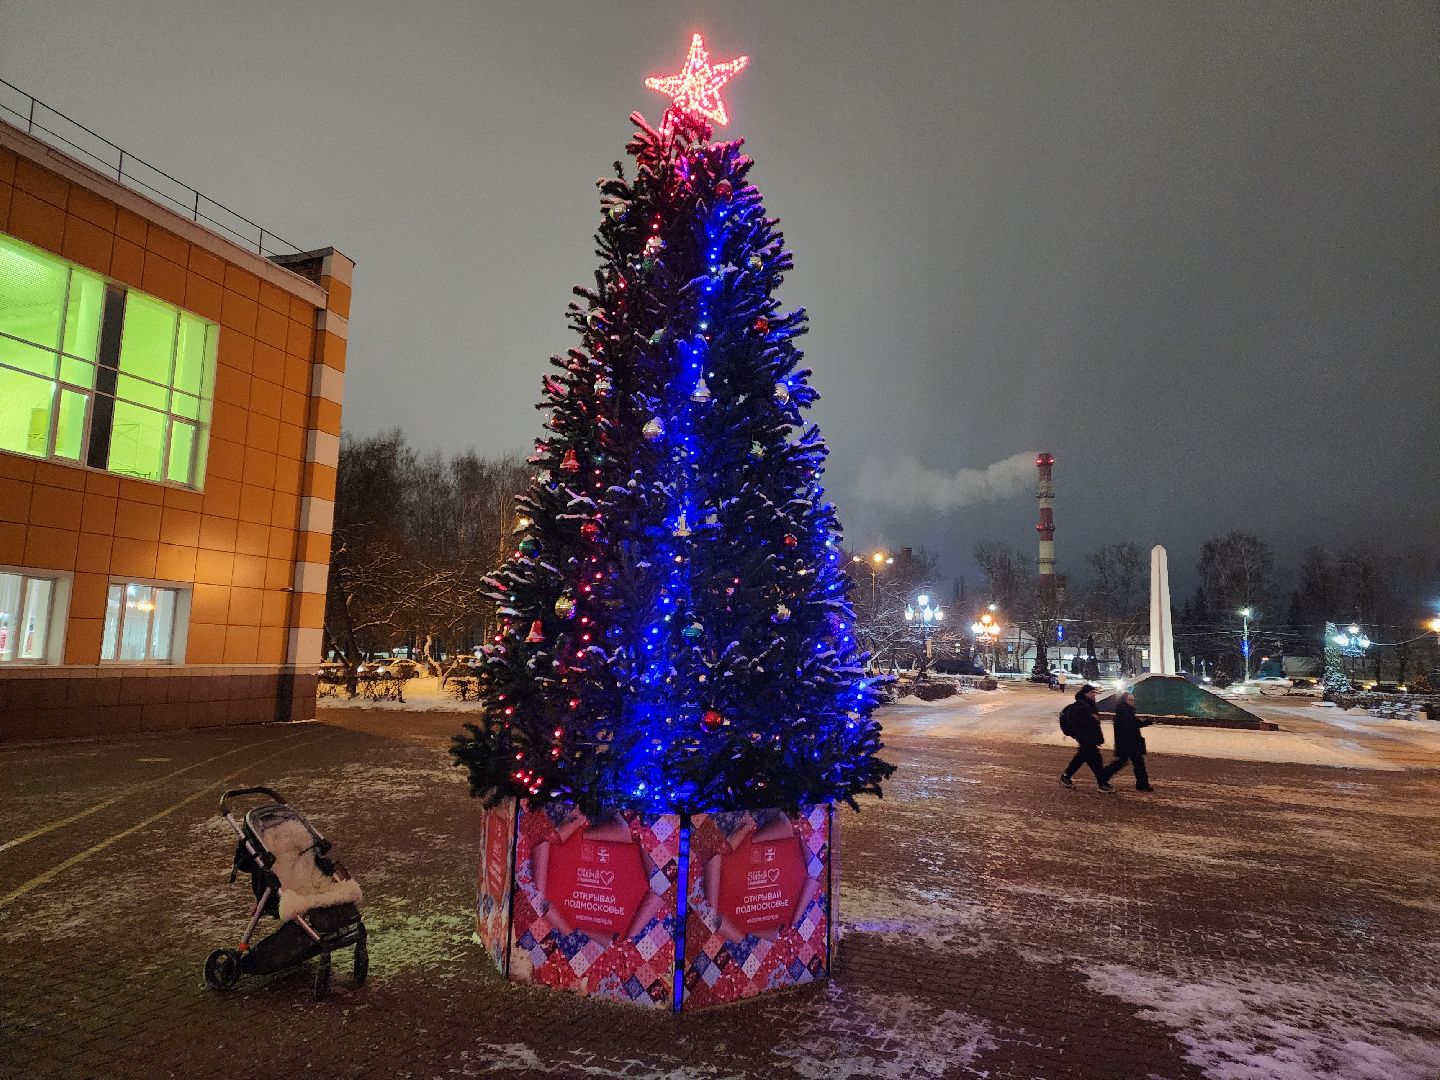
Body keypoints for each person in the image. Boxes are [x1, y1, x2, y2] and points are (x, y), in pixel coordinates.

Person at [1058, 684, 1113, 792]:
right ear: (1086, 693)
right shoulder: (1080, 705)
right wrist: (1091, 721)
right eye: (1092, 692)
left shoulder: (1089, 704)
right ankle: (1102, 783)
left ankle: (1066, 776)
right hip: (1085, 738)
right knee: (1095, 761)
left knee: (1083, 758)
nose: (1094, 695)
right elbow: (1080, 722)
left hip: (1089, 738)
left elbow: (1094, 723)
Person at [1102, 690, 1155, 791]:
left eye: (1133, 700)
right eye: (1130, 699)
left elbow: (1132, 723)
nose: (1132, 701)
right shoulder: (1124, 711)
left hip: (1129, 741)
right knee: (1131, 762)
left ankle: (1142, 784)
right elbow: (1130, 724)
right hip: (1128, 742)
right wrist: (1144, 722)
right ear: (1124, 700)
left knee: (1132, 762)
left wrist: (1143, 722)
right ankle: (1103, 776)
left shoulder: (1125, 710)